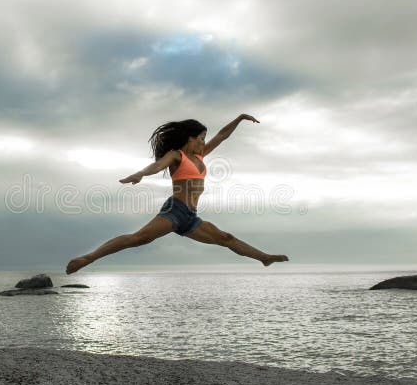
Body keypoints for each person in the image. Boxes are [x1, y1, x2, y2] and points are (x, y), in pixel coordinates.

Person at [65, 114, 289, 274]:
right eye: (200, 137)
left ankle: (264, 258)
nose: (203, 142)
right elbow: (156, 166)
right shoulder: (176, 156)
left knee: (226, 238)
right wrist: (140, 174)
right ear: (189, 138)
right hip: (175, 211)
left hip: (191, 217)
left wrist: (239, 119)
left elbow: (221, 135)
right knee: (137, 239)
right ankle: (88, 258)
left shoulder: (200, 156)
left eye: (204, 139)